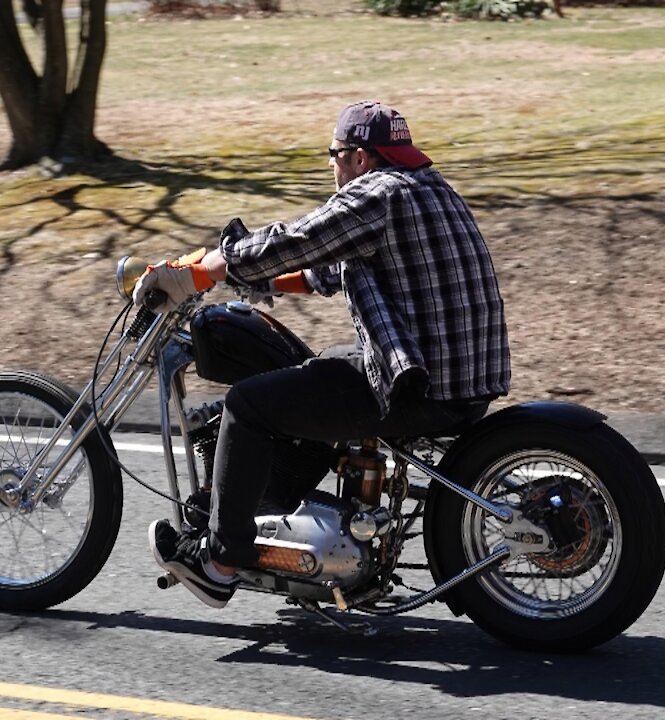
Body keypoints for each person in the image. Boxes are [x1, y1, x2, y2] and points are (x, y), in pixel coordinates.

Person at [134, 100, 511, 608]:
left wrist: (201, 273)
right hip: (460, 379)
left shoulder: (376, 195)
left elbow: (297, 239)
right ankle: (308, 529)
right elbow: (322, 268)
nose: (332, 165)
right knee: (312, 374)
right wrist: (237, 275)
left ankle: (220, 563)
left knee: (248, 406)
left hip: (420, 383)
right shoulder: (429, 188)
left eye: (333, 154)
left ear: (359, 156)